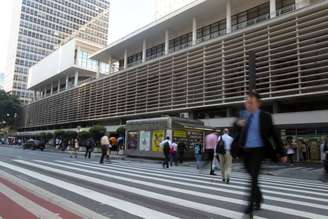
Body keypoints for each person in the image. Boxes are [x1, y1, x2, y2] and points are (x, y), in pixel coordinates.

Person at [232, 91, 287, 217]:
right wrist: (237, 124)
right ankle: (259, 198)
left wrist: (282, 152)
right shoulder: (242, 114)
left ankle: (249, 206)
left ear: (258, 103)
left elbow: (274, 134)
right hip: (245, 152)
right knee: (253, 177)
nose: (248, 104)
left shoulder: (265, 116)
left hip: (259, 151)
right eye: (247, 102)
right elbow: (233, 130)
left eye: (251, 102)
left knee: (253, 178)